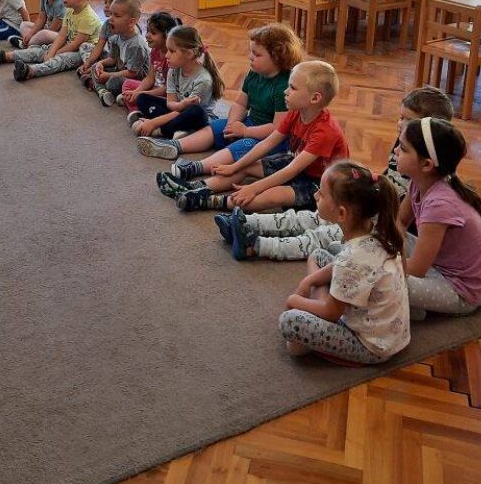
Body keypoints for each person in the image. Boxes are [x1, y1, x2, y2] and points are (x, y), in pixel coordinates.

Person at [215, 84, 454, 261]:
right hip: (374, 210)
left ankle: (256, 245)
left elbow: (399, 221)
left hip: (383, 226)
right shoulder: (405, 144)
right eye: (401, 117)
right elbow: (388, 180)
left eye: (408, 120)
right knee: (319, 215)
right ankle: (249, 222)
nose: (400, 124)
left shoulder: (429, 175)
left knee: (325, 233)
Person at [159, 60, 347, 213]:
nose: (285, 91)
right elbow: (267, 144)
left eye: (292, 88)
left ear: (315, 98)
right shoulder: (295, 113)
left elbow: (292, 170)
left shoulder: (325, 131)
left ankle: (208, 201)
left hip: (322, 184)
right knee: (245, 165)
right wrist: (235, 166)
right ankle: (192, 188)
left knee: (273, 195)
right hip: (297, 165)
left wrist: (254, 188)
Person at [277, 162, 410, 365]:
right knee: (318, 256)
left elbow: (331, 313)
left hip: (372, 346)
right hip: (391, 333)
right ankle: (322, 296)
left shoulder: (351, 259)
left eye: (321, 194)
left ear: (341, 214)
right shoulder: (378, 229)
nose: (316, 196)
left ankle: (321, 304)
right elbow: (347, 265)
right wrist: (309, 281)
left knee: (289, 325)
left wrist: (294, 300)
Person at [138, 22, 303, 161]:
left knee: (242, 146)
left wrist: (245, 131)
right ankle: (174, 145)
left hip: (272, 139)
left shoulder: (284, 86)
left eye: (256, 54)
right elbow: (240, 104)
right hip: (249, 123)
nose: (250, 57)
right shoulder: (254, 73)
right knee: (215, 127)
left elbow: (277, 129)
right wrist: (232, 124)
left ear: (277, 57)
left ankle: (198, 166)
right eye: (250, 52)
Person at [395, 117, 481, 317]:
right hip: (436, 265)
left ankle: (409, 308)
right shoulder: (418, 181)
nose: (396, 151)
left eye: (403, 149)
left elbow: (416, 269)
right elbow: (399, 221)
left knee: (381, 281)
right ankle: (410, 308)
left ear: (426, 164)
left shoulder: (439, 204)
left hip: (460, 290)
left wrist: (378, 261)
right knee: (374, 229)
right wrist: (385, 245)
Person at [130, 25, 224, 140]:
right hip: (177, 110)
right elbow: (170, 103)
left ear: (189, 54)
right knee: (142, 98)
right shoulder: (173, 70)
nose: (166, 55)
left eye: (172, 51)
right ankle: (175, 129)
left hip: (195, 119)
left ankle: (162, 129)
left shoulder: (204, 80)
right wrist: (181, 104)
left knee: (196, 111)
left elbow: (186, 111)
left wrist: (154, 122)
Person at [10, 0, 101, 81]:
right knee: (44, 50)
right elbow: (62, 35)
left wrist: (57, 53)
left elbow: (76, 44)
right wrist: (52, 51)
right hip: (69, 45)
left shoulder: (88, 18)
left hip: (84, 53)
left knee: (59, 60)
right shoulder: (70, 10)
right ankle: (8, 56)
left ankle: (30, 71)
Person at [88, 0, 150, 107]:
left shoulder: (136, 45)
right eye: (111, 14)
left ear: (131, 22)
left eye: (116, 15)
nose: (110, 18)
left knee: (113, 82)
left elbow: (133, 73)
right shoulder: (116, 37)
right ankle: (103, 91)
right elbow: (112, 59)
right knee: (94, 67)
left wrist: (107, 75)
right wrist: (101, 63)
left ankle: (98, 86)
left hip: (136, 78)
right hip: (121, 70)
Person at [122, 11, 182, 124]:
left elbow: (167, 89)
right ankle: (136, 111)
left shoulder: (172, 59)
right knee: (127, 84)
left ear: (167, 37)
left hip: (166, 96)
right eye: (148, 31)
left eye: (153, 33)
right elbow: (150, 78)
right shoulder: (154, 52)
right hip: (152, 90)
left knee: (144, 99)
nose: (147, 35)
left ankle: (141, 108)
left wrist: (141, 94)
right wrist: (136, 91)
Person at [77, 0, 133, 88]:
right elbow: (99, 46)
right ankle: (94, 74)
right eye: (105, 2)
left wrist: (101, 70)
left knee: (114, 83)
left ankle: (98, 84)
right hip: (111, 59)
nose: (106, 6)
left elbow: (131, 67)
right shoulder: (107, 24)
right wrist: (89, 63)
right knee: (85, 46)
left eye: (111, 3)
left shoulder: (130, 31)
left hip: (125, 66)